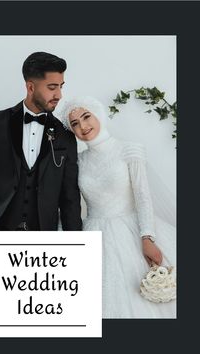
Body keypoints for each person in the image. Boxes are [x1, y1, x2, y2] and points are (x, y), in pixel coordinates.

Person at [60, 96, 176, 318]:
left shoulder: (129, 150)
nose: (83, 126)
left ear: (98, 115)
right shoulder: (78, 161)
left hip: (132, 229)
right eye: (75, 123)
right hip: (93, 232)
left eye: (86, 117)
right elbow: (69, 201)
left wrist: (147, 237)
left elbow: (143, 196)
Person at [0, 52, 82, 231]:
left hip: (43, 233)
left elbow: (70, 196)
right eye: (52, 87)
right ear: (30, 87)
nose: (59, 95)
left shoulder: (65, 134)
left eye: (61, 86)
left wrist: (75, 243)